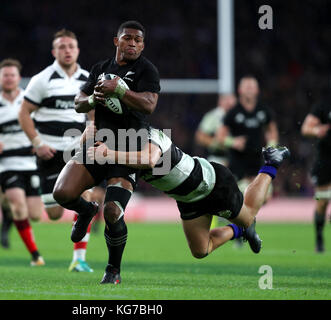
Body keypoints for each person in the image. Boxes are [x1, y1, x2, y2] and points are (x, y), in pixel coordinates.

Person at [87, 126, 290, 268]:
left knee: (250, 216)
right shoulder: (120, 146)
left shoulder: (151, 136)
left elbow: (148, 160)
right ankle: (238, 230)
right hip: (187, 199)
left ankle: (271, 163)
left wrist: (108, 153)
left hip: (211, 183)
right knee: (201, 250)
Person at [52, 20, 161, 284]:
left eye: (138, 40)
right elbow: (78, 102)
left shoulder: (147, 69)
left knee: (112, 211)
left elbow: (149, 105)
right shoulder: (100, 68)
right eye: (128, 38)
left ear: (143, 45)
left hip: (128, 146)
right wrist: (91, 100)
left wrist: (121, 90)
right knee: (62, 193)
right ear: (117, 41)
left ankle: (113, 269)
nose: (133, 43)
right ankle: (87, 210)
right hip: (98, 145)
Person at [19, 29, 99, 272]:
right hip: (49, 153)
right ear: (54, 52)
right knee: (53, 213)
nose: (67, 50)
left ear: (77, 50)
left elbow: (94, 117)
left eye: (71, 46)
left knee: (86, 196)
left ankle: (79, 259)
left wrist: (89, 139)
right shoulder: (42, 80)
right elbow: (24, 113)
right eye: (62, 47)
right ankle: (75, 207)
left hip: (76, 152)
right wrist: (38, 144)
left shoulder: (88, 79)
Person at [0, 58, 45, 266]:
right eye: (5, 75)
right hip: (7, 164)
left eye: (12, 75)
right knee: (18, 206)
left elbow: (43, 127)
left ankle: (7, 214)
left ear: (18, 78)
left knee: (34, 214)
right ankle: (35, 256)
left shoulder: (30, 103)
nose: (8, 78)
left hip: (32, 164)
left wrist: (40, 141)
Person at [301, 97, 331, 252]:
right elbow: (306, 128)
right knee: (323, 201)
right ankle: (319, 237)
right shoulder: (323, 105)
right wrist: (317, 130)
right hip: (326, 160)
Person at [195, 94, 237, 167]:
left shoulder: (238, 115)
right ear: (220, 102)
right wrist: (217, 143)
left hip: (237, 158)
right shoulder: (214, 116)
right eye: (226, 103)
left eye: (231, 105)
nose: (229, 106)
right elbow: (200, 136)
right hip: (218, 157)